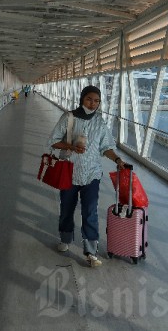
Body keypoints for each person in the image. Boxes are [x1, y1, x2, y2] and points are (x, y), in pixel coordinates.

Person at [47, 85, 125, 267]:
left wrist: (118, 159)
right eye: (89, 99)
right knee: (67, 207)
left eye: (97, 101)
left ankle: (90, 251)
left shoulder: (100, 122)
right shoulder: (69, 117)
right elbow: (53, 141)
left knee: (90, 211)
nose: (93, 104)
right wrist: (71, 147)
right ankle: (65, 238)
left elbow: (106, 147)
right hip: (69, 171)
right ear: (82, 98)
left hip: (92, 173)